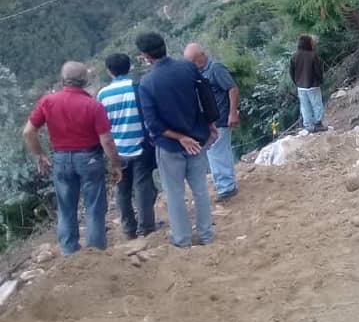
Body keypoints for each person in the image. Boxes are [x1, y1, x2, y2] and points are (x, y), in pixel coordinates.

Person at [22, 62, 124, 255]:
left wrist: (40, 155)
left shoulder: (48, 102)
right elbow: (107, 141)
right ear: (85, 81)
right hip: (90, 159)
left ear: (63, 80)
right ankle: (95, 253)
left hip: (61, 159)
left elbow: (28, 132)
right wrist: (116, 164)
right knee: (94, 207)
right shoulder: (93, 106)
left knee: (66, 208)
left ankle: (69, 252)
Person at [135, 32, 216, 248]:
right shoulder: (187, 67)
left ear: (145, 56)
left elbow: (153, 125)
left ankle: (182, 239)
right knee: (200, 189)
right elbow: (205, 96)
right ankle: (207, 234)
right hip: (198, 140)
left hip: (170, 146)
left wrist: (180, 138)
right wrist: (210, 124)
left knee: (175, 194)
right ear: (165, 46)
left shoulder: (147, 83)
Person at [97, 53, 157, 239]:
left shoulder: (102, 94)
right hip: (140, 146)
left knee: (122, 189)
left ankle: (128, 229)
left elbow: (101, 125)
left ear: (109, 71)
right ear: (129, 67)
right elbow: (148, 115)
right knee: (142, 187)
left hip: (116, 150)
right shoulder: (137, 88)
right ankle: (146, 227)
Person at [184, 43, 240, 202]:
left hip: (221, 118)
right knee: (217, 152)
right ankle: (226, 184)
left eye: (193, 60)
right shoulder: (199, 72)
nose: (192, 63)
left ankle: (226, 187)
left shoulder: (216, 68)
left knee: (216, 152)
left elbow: (233, 88)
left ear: (200, 56)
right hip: (211, 120)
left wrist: (232, 113)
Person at [289, 34, 327, 133]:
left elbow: (291, 72)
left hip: (301, 87)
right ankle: (318, 124)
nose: (313, 44)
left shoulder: (294, 56)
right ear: (308, 43)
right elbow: (318, 71)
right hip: (313, 85)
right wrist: (320, 80)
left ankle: (309, 126)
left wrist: (296, 82)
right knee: (317, 105)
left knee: (305, 106)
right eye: (312, 42)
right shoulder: (313, 55)